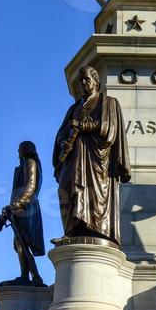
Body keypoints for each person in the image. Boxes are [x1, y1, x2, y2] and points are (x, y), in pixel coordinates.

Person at [53, 66, 131, 244]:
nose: (83, 83)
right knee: (65, 188)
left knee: (94, 195)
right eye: (80, 80)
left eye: (86, 79)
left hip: (97, 159)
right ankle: (72, 231)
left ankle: (96, 230)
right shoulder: (74, 108)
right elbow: (61, 133)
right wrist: (63, 141)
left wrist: (83, 126)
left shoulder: (108, 102)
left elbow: (109, 130)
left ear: (97, 82)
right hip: (74, 158)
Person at [0, 141, 46, 285]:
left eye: (19, 150)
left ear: (25, 150)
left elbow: (30, 189)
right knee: (20, 243)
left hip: (26, 208)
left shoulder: (30, 162)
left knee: (22, 243)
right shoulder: (26, 164)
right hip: (21, 209)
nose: (18, 153)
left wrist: (15, 205)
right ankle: (28, 276)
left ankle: (30, 277)